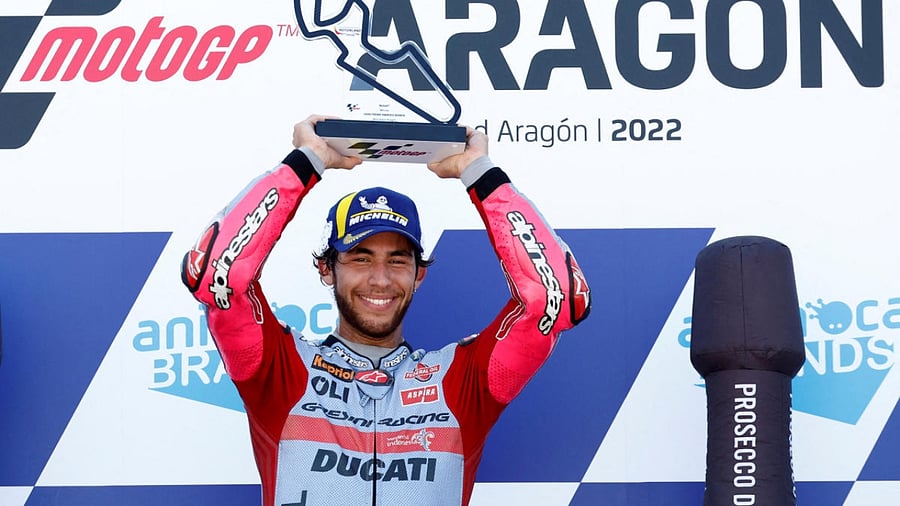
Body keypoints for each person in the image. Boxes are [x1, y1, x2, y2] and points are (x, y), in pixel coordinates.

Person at [181, 115, 591, 506]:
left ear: (418, 275)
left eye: (397, 260)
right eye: (360, 258)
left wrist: (480, 173)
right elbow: (217, 276)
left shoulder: (460, 382)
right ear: (327, 269)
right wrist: (305, 162)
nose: (380, 279)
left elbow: (554, 299)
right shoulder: (281, 370)